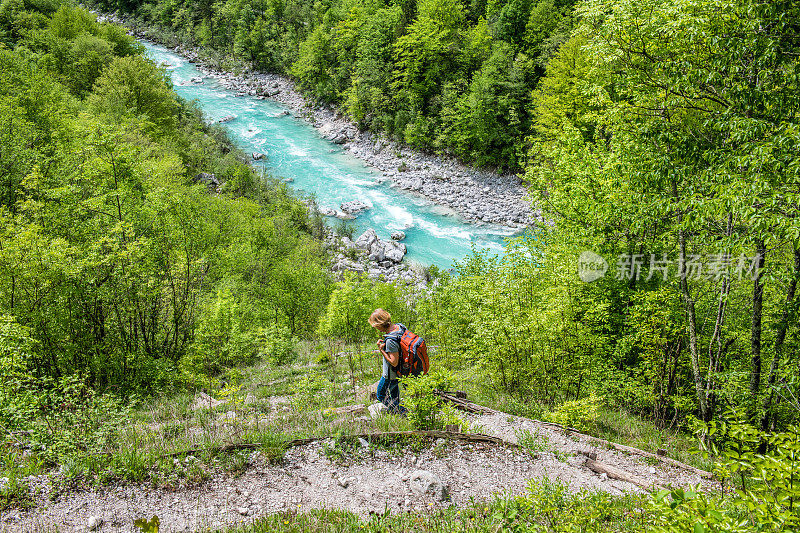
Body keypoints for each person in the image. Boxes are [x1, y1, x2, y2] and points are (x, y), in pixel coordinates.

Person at [368, 308, 406, 414]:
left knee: (380, 394)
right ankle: (397, 410)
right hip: (398, 371)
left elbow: (394, 362)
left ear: (380, 324)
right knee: (394, 393)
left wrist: (382, 350)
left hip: (390, 374)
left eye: (376, 326)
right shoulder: (400, 327)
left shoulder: (390, 340)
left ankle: (401, 411)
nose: (377, 329)